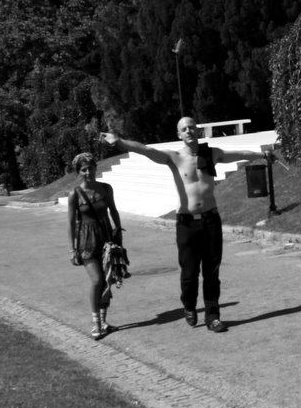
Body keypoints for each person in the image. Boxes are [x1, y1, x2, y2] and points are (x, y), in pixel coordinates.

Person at [101, 117, 272, 333]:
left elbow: (238, 154)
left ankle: (213, 317)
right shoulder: (175, 157)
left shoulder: (211, 154)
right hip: (187, 224)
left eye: (192, 127)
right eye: (184, 129)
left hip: (211, 220)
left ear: (197, 131)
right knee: (189, 274)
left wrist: (262, 154)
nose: (189, 131)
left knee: (212, 272)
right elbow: (146, 150)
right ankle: (189, 305)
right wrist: (119, 141)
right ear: (179, 134)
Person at [67, 152, 124, 340]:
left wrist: (118, 232)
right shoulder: (74, 194)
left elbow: (113, 211)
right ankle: (96, 324)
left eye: (90, 168)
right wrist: (72, 249)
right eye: (83, 169)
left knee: (108, 279)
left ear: (95, 168)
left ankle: (104, 321)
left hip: (106, 239)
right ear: (78, 172)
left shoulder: (106, 189)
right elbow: (70, 224)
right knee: (97, 280)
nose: (88, 172)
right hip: (86, 241)